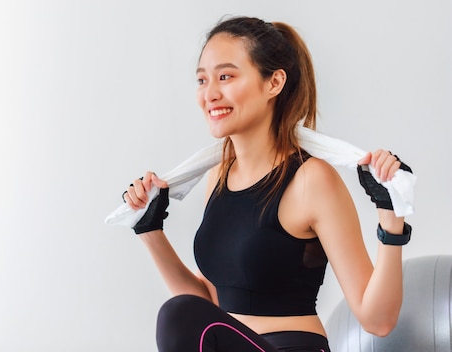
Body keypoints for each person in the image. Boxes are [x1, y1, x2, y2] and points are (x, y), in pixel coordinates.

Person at [121, 16, 414, 352]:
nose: (210, 94)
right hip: (226, 342)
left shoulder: (310, 180)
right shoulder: (219, 177)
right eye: (202, 80)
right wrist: (149, 229)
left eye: (225, 77)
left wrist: (392, 222)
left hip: (292, 345)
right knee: (181, 313)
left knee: (178, 313)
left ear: (274, 83)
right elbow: (208, 302)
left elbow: (378, 320)